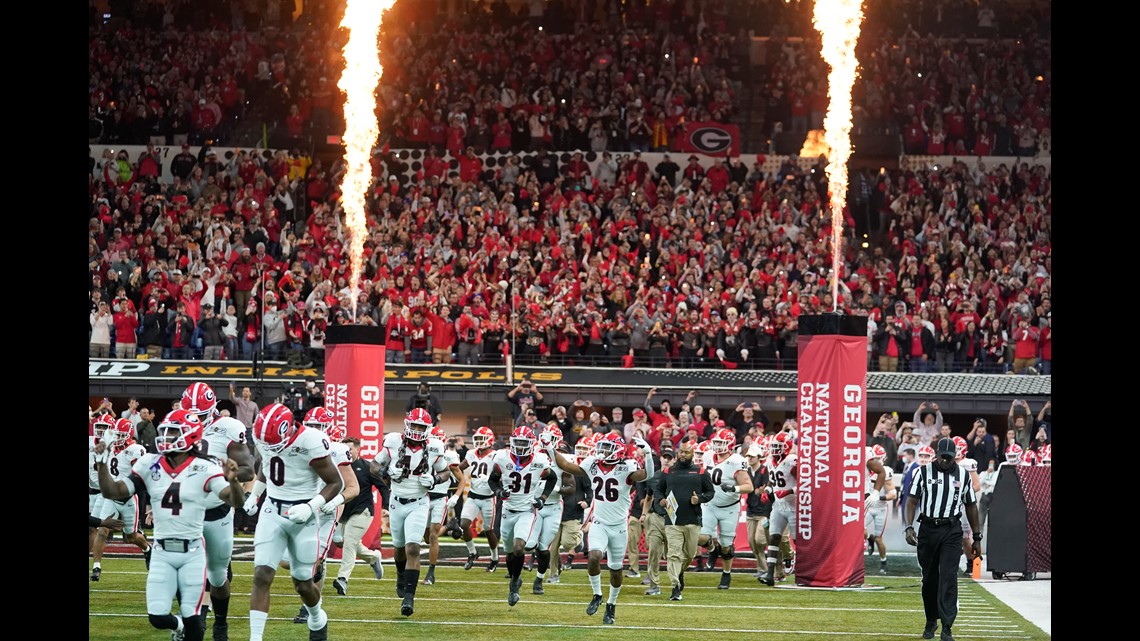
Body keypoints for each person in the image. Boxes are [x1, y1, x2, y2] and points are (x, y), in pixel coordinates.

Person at [95, 409, 245, 641]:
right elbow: (112, 491)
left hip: (192, 550)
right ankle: (179, 626)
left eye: (174, 432)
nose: (167, 437)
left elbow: (234, 500)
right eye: (165, 431)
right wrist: (102, 463)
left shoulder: (204, 466)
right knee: (157, 617)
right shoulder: (150, 463)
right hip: (162, 551)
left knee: (195, 619)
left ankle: (204, 625)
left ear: (192, 435)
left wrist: (233, 481)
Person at [241, 403, 343, 641]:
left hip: (304, 515)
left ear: (289, 430)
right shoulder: (264, 437)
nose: (268, 446)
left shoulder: (311, 441)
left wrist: (310, 507)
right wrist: (256, 494)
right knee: (262, 574)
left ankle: (317, 617)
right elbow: (268, 466)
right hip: (272, 511)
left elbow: (335, 483)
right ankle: (255, 638)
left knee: (302, 583)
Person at [542, 431, 655, 624]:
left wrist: (648, 454)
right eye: (602, 447)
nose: (602, 451)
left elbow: (647, 475)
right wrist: (550, 448)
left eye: (607, 448)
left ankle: (611, 604)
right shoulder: (592, 464)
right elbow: (567, 465)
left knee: (615, 569)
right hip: (599, 523)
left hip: (619, 526)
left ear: (618, 450)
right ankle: (597, 595)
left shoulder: (627, 466)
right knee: (594, 557)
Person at [180, 382, 256, 640]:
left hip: (217, 509)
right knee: (182, 568)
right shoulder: (176, 424)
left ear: (212, 411)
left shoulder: (228, 428)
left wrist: (222, 472)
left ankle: (220, 622)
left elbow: (248, 470)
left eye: (199, 416)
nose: (193, 421)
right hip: (187, 509)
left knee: (217, 575)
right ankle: (193, 618)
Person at [367, 407, 452, 617]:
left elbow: (446, 472)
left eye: (421, 427)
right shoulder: (394, 441)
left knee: (413, 547)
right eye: (414, 425)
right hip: (397, 501)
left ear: (428, 429)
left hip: (419, 501)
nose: (416, 430)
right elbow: (374, 466)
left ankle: (409, 598)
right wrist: (387, 471)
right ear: (407, 424)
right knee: (399, 549)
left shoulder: (434, 446)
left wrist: (434, 479)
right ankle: (400, 574)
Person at [284, 407, 359, 625]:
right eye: (312, 426)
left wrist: (335, 502)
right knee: (286, 563)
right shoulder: (296, 445)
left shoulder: (336, 450)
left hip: (326, 508)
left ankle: (310, 607)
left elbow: (351, 488)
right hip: (303, 505)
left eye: (319, 426)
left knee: (313, 559)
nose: (315, 431)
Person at [904, 438, 982, 641]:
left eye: (950, 458)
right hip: (928, 528)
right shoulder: (922, 472)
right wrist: (909, 526)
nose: (946, 461)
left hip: (951, 529)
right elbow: (912, 500)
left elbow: (971, 505)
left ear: (955, 456)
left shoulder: (963, 475)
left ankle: (947, 627)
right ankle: (931, 620)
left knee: (949, 578)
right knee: (930, 579)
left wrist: (977, 537)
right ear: (936, 455)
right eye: (943, 457)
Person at [488, 425, 558, 606]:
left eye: (523, 443)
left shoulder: (540, 460)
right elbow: (492, 479)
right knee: (510, 553)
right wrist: (498, 492)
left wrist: (542, 498)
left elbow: (552, 478)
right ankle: (514, 578)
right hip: (507, 510)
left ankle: (513, 585)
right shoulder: (502, 458)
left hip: (527, 511)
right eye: (517, 442)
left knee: (520, 547)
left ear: (531, 444)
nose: (519, 446)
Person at [91, 418, 152, 582]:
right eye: (116, 434)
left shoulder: (136, 449)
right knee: (102, 529)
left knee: (130, 537)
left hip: (128, 499)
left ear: (130, 434)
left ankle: (147, 549)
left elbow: (142, 470)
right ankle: (96, 566)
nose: (118, 437)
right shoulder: (110, 447)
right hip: (111, 498)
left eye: (121, 434)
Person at [653, 439, 714, 600]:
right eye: (681, 452)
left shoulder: (701, 472)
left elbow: (710, 492)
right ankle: (675, 587)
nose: (683, 455)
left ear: (692, 454)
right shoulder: (668, 472)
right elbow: (658, 490)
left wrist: (699, 499)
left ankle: (679, 572)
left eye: (687, 452)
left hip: (692, 520)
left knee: (689, 554)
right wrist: (661, 500)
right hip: (672, 521)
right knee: (673, 554)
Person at [697, 428, 753, 589]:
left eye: (721, 443)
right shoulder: (707, 456)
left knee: (727, 547)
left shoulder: (736, 460)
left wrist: (734, 488)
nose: (717, 446)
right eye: (716, 442)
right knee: (701, 537)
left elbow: (749, 486)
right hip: (709, 504)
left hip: (729, 507)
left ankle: (726, 574)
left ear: (730, 444)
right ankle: (713, 550)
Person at [331, 436, 386, 595]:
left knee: (349, 541)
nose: (347, 452)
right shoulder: (339, 466)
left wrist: (387, 506)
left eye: (350, 449)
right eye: (345, 449)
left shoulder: (367, 467)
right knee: (341, 541)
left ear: (358, 449)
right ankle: (373, 558)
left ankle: (342, 579)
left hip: (363, 510)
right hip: (343, 511)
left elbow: (382, 487)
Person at [547, 434, 595, 585]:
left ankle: (578, 539)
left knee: (568, 544)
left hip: (573, 510)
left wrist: (586, 501)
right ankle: (553, 574)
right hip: (556, 510)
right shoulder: (552, 467)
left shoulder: (581, 469)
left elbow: (590, 490)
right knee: (552, 547)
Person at [421, 425, 465, 587]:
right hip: (423, 498)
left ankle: (431, 573)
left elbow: (461, 480)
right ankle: (450, 527)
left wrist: (455, 496)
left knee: (433, 536)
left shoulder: (449, 456)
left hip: (440, 498)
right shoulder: (421, 455)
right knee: (427, 538)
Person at [459, 426, 503, 572]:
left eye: (481, 439)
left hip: (489, 497)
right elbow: (460, 467)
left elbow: (503, 474)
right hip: (473, 495)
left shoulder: (496, 455)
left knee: (488, 530)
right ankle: (472, 552)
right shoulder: (471, 454)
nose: (478, 442)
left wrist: (491, 479)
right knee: (464, 524)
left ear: (490, 440)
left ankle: (494, 558)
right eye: (477, 439)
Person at [759, 431, 798, 586]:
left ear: (787, 447)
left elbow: (805, 482)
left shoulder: (791, 461)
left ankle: (803, 572)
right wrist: (767, 492)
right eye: (773, 446)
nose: (775, 449)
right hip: (778, 505)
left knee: (797, 540)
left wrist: (787, 491)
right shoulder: (770, 461)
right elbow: (772, 481)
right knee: (774, 537)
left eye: (778, 446)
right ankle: (770, 574)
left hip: (794, 505)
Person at [532, 425, 568, 593]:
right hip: (534, 504)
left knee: (544, 546)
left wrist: (558, 489)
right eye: (545, 438)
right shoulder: (534, 454)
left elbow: (571, 487)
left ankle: (539, 579)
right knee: (530, 543)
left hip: (553, 506)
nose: (547, 442)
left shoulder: (562, 459)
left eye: (551, 439)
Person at [639, 447, 670, 595]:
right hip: (656, 517)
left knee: (676, 554)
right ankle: (654, 584)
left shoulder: (680, 476)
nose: (667, 460)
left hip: (674, 521)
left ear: (674, 460)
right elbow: (649, 497)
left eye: (670, 457)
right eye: (665, 457)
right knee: (653, 551)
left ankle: (677, 581)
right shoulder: (653, 477)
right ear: (661, 459)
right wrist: (644, 514)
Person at [742, 440, 773, 580]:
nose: (750, 459)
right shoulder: (747, 471)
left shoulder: (764, 470)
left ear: (759, 457)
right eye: (748, 456)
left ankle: (769, 566)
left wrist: (760, 491)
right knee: (752, 543)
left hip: (762, 512)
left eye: (752, 456)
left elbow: (765, 488)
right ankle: (763, 568)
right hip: (751, 510)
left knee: (759, 540)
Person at [864, 445, 897, 574]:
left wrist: (879, 497)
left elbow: (893, 493)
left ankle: (883, 561)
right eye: (874, 458)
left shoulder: (886, 471)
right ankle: (868, 539)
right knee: (859, 530)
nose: (875, 460)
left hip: (880, 508)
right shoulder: (866, 468)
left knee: (878, 538)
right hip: (867, 505)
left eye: (877, 458)